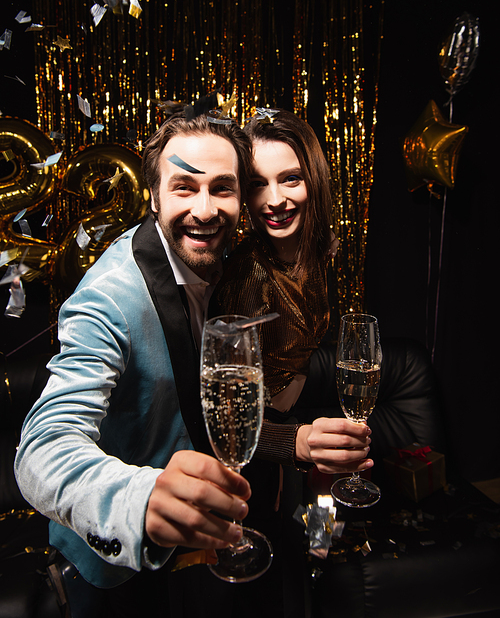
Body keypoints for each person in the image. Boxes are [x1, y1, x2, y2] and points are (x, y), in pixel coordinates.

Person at [14, 105, 372, 616]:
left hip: (227, 522)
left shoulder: (227, 259)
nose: (205, 209)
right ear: (153, 193)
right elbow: (42, 450)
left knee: (289, 582)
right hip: (123, 564)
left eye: (222, 188)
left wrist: (303, 451)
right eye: (184, 186)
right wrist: (138, 499)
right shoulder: (111, 297)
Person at [214, 109, 336, 418]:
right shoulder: (249, 275)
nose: (275, 199)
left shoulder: (318, 249)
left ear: (314, 179)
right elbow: (234, 407)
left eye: (291, 179)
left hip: (304, 411)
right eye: (257, 184)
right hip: (268, 435)